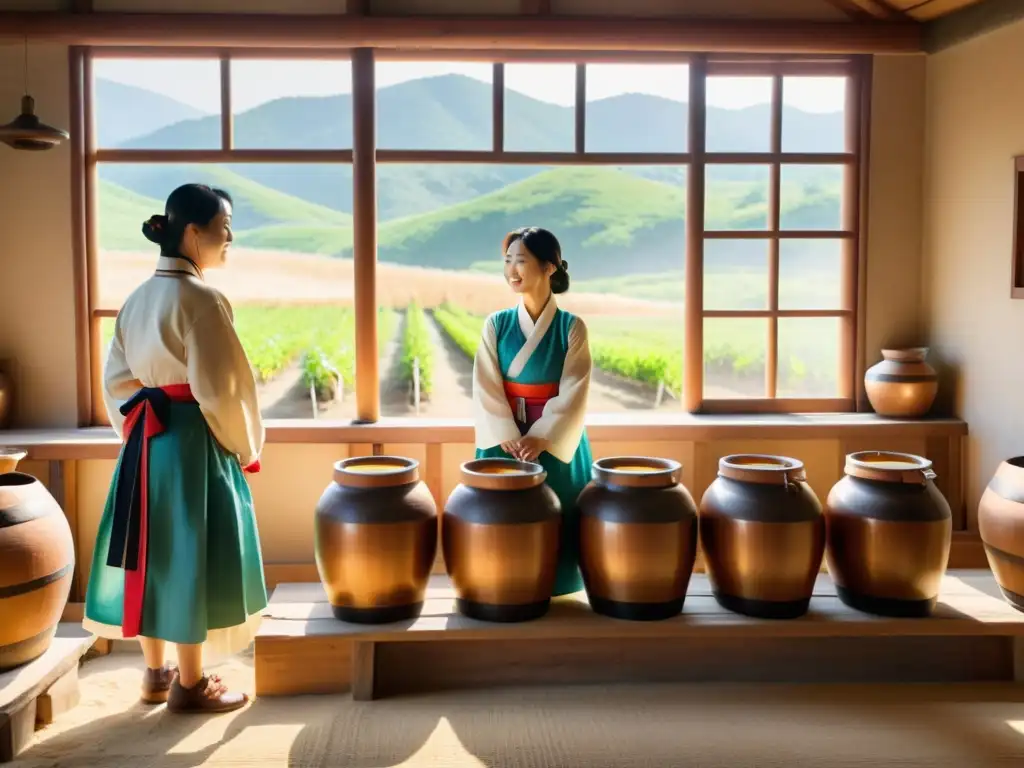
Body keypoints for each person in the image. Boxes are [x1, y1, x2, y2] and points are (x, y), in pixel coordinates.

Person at [82, 183, 266, 714]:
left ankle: (156, 674)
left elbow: (117, 380)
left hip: (145, 441)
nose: (228, 236)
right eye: (223, 225)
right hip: (192, 440)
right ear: (193, 231)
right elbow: (224, 388)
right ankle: (193, 683)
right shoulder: (203, 300)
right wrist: (244, 444)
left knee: (149, 551)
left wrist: (134, 430)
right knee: (189, 552)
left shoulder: (137, 299)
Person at [472, 226, 593, 597]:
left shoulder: (571, 328)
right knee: (499, 517)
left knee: (558, 511)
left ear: (549, 267)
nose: (512, 270)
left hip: (554, 439)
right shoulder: (497, 324)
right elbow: (486, 385)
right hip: (505, 440)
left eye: (521, 261)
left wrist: (542, 437)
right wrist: (508, 436)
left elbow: (575, 389)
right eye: (507, 262)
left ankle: (558, 584)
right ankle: (501, 584)